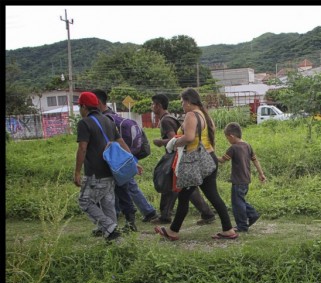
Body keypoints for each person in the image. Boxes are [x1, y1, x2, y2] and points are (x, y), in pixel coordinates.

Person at [154, 88, 238, 241]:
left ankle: (173, 232)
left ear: (188, 101)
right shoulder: (204, 115)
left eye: (182, 102)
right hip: (208, 157)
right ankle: (228, 229)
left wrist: (173, 143)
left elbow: (189, 137)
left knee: (184, 196)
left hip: (195, 161)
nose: (182, 105)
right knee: (212, 195)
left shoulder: (191, 115)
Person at [73, 92, 139, 242]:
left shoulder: (84, 123)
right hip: (111, 171)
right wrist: (132, 161)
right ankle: (116, 241)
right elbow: (121, 141)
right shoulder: (108, 120)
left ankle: (110, 228)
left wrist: (77, 172)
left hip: (95, 173)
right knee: (107, 204)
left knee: (85, 201)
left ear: (83, 107)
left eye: (79, 107)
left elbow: (82, 148)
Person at [91, 89, 156, 232]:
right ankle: (132, 219)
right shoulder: (113, 117)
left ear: (98, 102)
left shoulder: (105, 120)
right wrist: (131, 160)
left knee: (118, 190)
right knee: (122, 189)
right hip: (119, 161)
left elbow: (114, 141)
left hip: (111, 162)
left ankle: (134, 218)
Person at [151, 93, 216, 226]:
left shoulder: (166, 120)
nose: (151, 107)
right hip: (186, 154)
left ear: (158, 106)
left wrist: (161, 142)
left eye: (152, 104)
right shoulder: (172, 118)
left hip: (181, 155)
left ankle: (167, 217)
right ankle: (207, 213)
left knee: (175, 186)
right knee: (186, 188)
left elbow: (174, 138)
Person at [217, 122, 266, 233]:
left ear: (231, 136)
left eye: (227, 138)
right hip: (246, 180)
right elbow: (255, 160)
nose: (227, 140)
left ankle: (242, 226)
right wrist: (261, 174)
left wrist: (210, 155)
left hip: (238, 181)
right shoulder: (247, 145)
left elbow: (222, 160)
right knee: (240, 201)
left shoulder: (233, 148)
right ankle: (252, 215)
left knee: (237, 204)